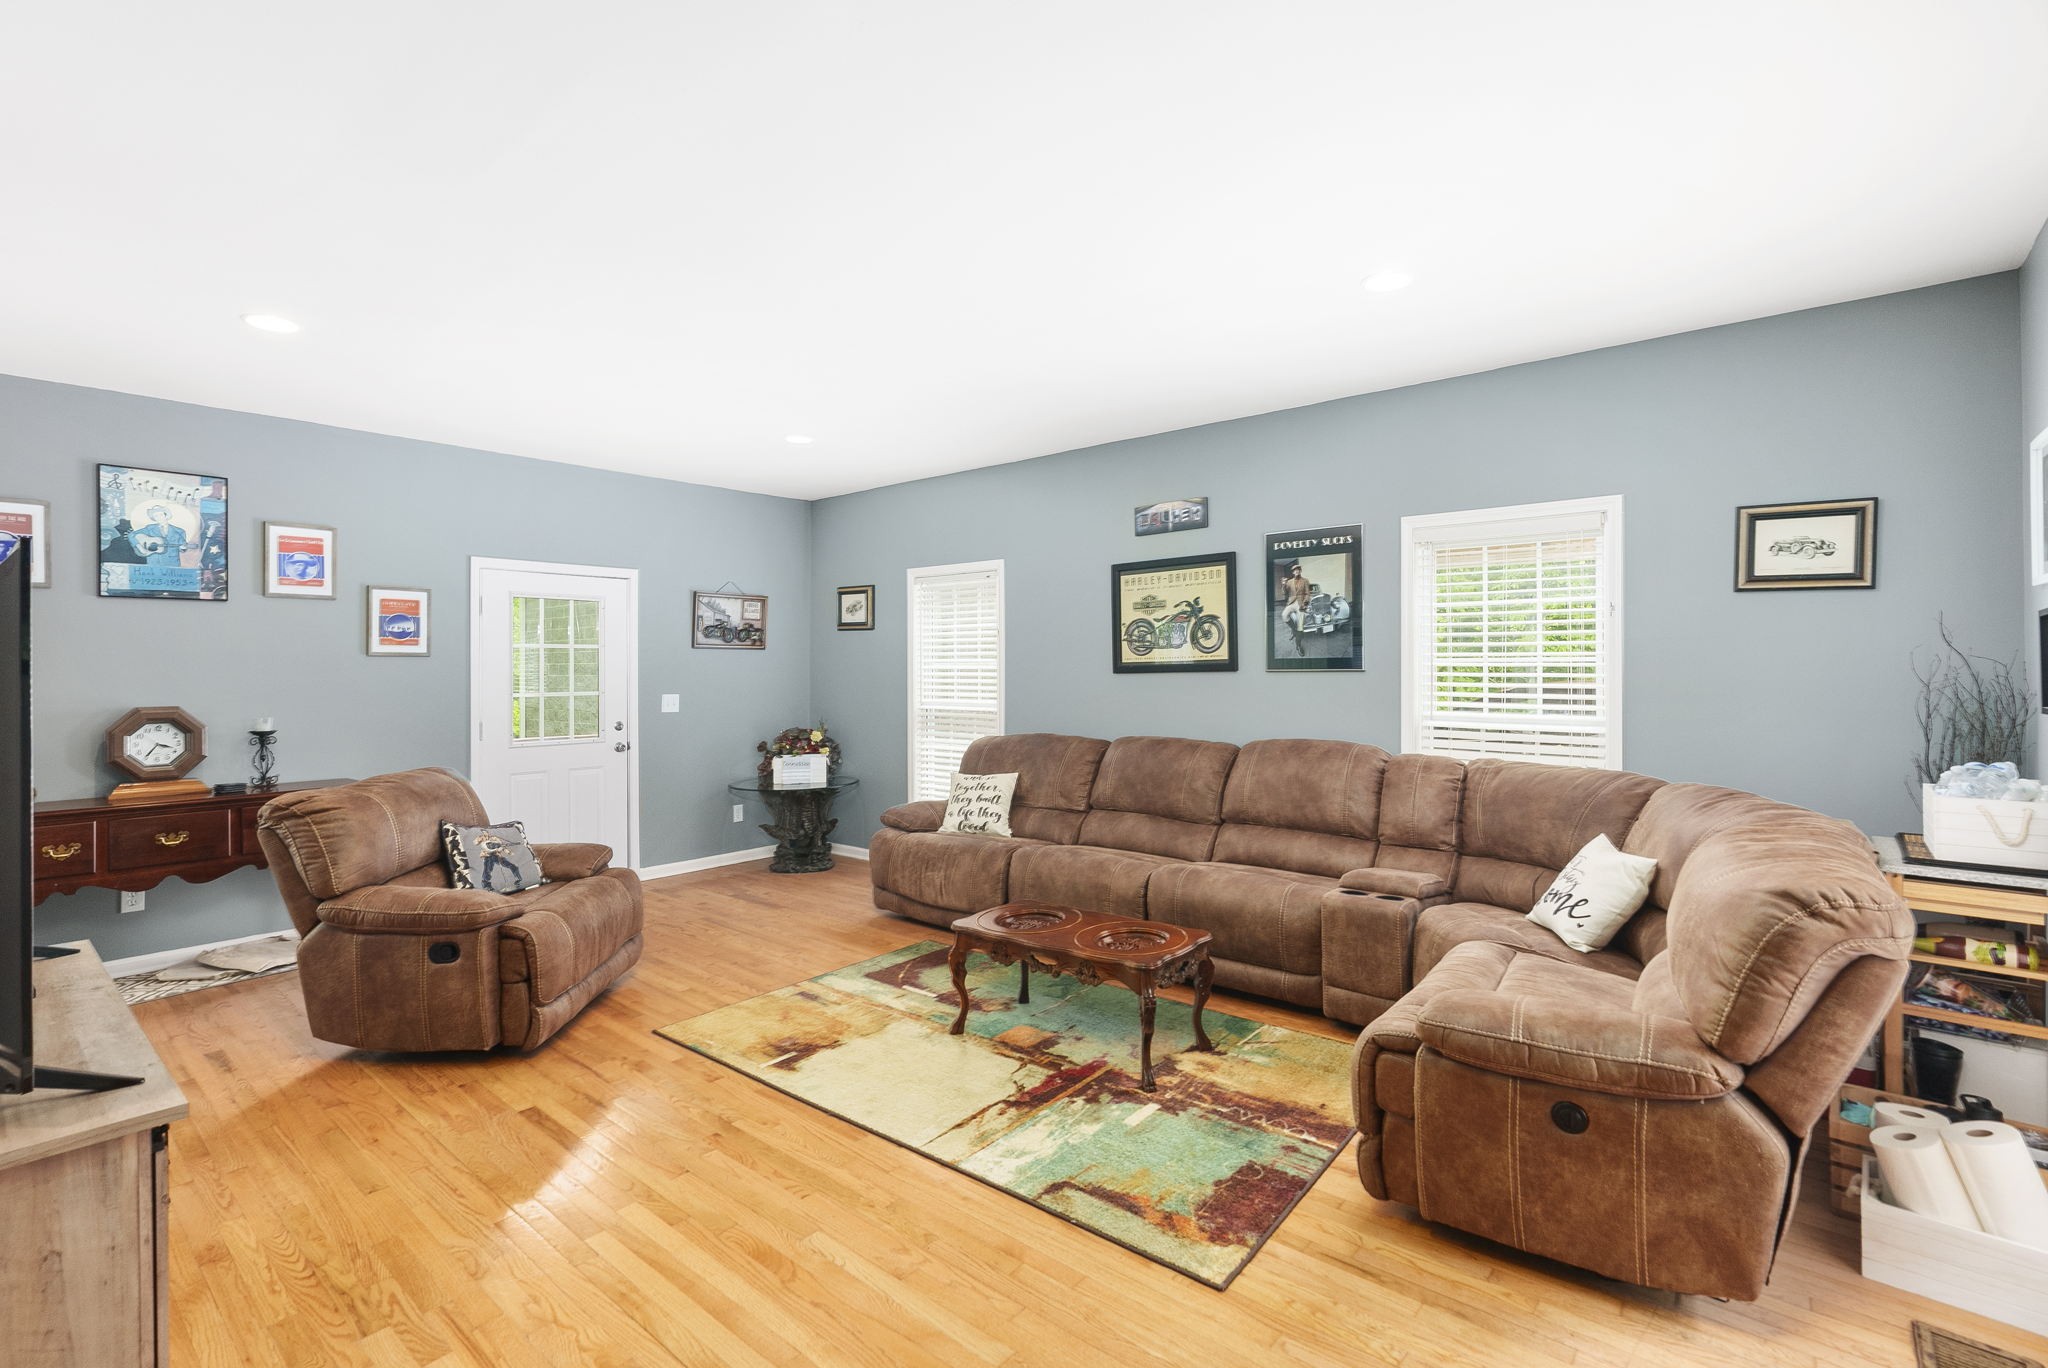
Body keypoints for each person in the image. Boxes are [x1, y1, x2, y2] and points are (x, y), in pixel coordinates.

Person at [1278, 560, 1312, 655]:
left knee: (1300, 626)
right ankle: (1294, 630)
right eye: (1295, 570)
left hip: (1301, 603)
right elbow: (1284, 593)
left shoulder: (1305, 580)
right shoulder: (1289, 582)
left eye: (1298, 569)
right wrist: (1283, 584)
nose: (1296, 571)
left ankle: (1298, 646)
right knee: (1284, 615)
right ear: (1293, 572)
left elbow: (1307, 594)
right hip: (1291, 603)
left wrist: (1305, 603)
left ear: (1300, 571)